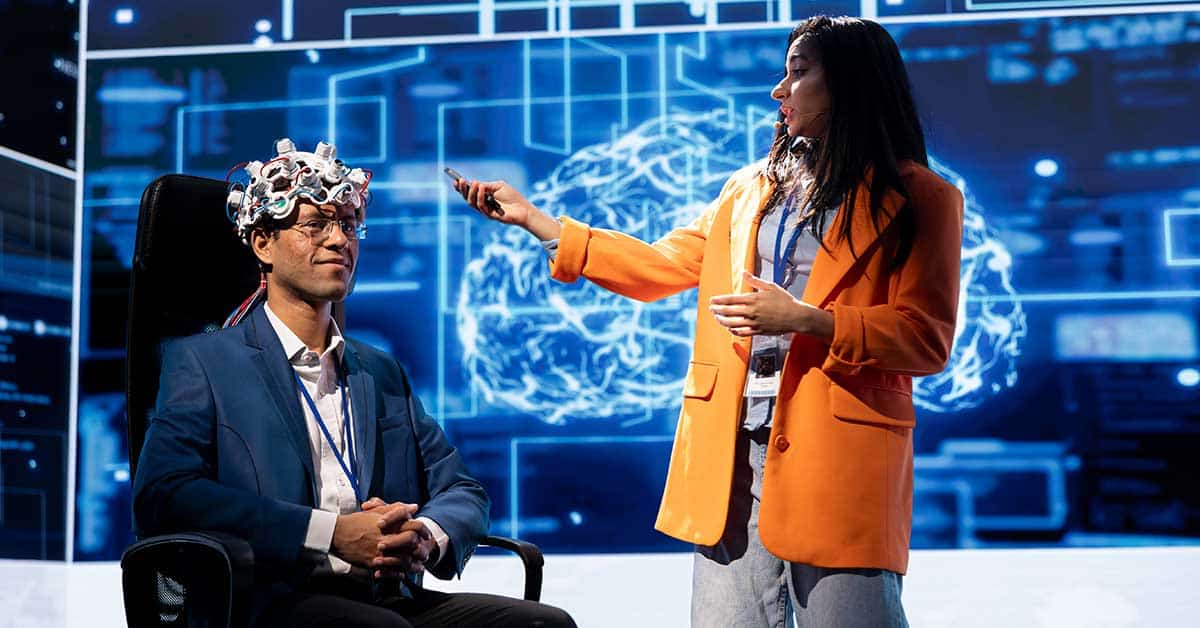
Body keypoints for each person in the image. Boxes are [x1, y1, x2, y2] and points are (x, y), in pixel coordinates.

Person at [454, 15, 963, 627]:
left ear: (852, 83)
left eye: (799, 73)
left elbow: (925, 338)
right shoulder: (748, 189)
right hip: (730, 454)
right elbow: (660, 266)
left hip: (841, 457)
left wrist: (811, 321)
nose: (779, 90)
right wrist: (540, 222)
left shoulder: (921, 198)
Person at [132, 138, 576, 628]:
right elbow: (166, 494)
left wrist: (426, 536)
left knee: (542, 625)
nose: (338, 240)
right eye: (315, 225)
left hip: (387, 596)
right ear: (263, 245)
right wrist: (331, 534)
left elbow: (463, 490)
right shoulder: (204, 362)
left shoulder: (379, 370)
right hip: (274, 598)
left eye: (347, 225)